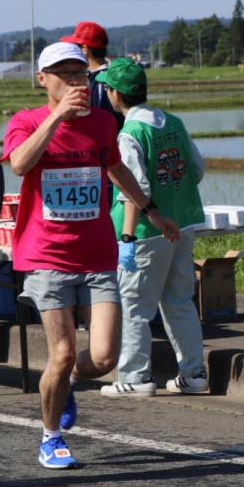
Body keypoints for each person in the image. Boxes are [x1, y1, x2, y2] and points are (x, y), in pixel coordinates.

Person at [3, 42, 178, 469]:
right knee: (60, 353)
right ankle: (51, 437)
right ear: (43, 80)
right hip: (46, 255)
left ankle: (63, 384)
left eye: (80, 74)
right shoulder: (26, 122)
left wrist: (152, 213)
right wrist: (58, 117)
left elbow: (115, 168)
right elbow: (20, 164)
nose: (75, 82)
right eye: (63, 74)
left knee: (104, 359)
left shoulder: (103, 123)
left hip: (98, 253)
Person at [98, 58, 208, 397]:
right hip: (185, 222)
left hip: (147, 231)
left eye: (107, 88)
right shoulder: (173, 122)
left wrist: (128, 236)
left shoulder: (129, 133)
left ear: (115, 94)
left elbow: (136, 190)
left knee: (134, 305)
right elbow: (198, 168)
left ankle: (135, 377)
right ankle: (194, 374)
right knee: (179, 301)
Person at [60, 21, 117, 121]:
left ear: (84, 49)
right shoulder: (112, 74)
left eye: (76, 46)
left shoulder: (102, 80)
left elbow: (102, 117)